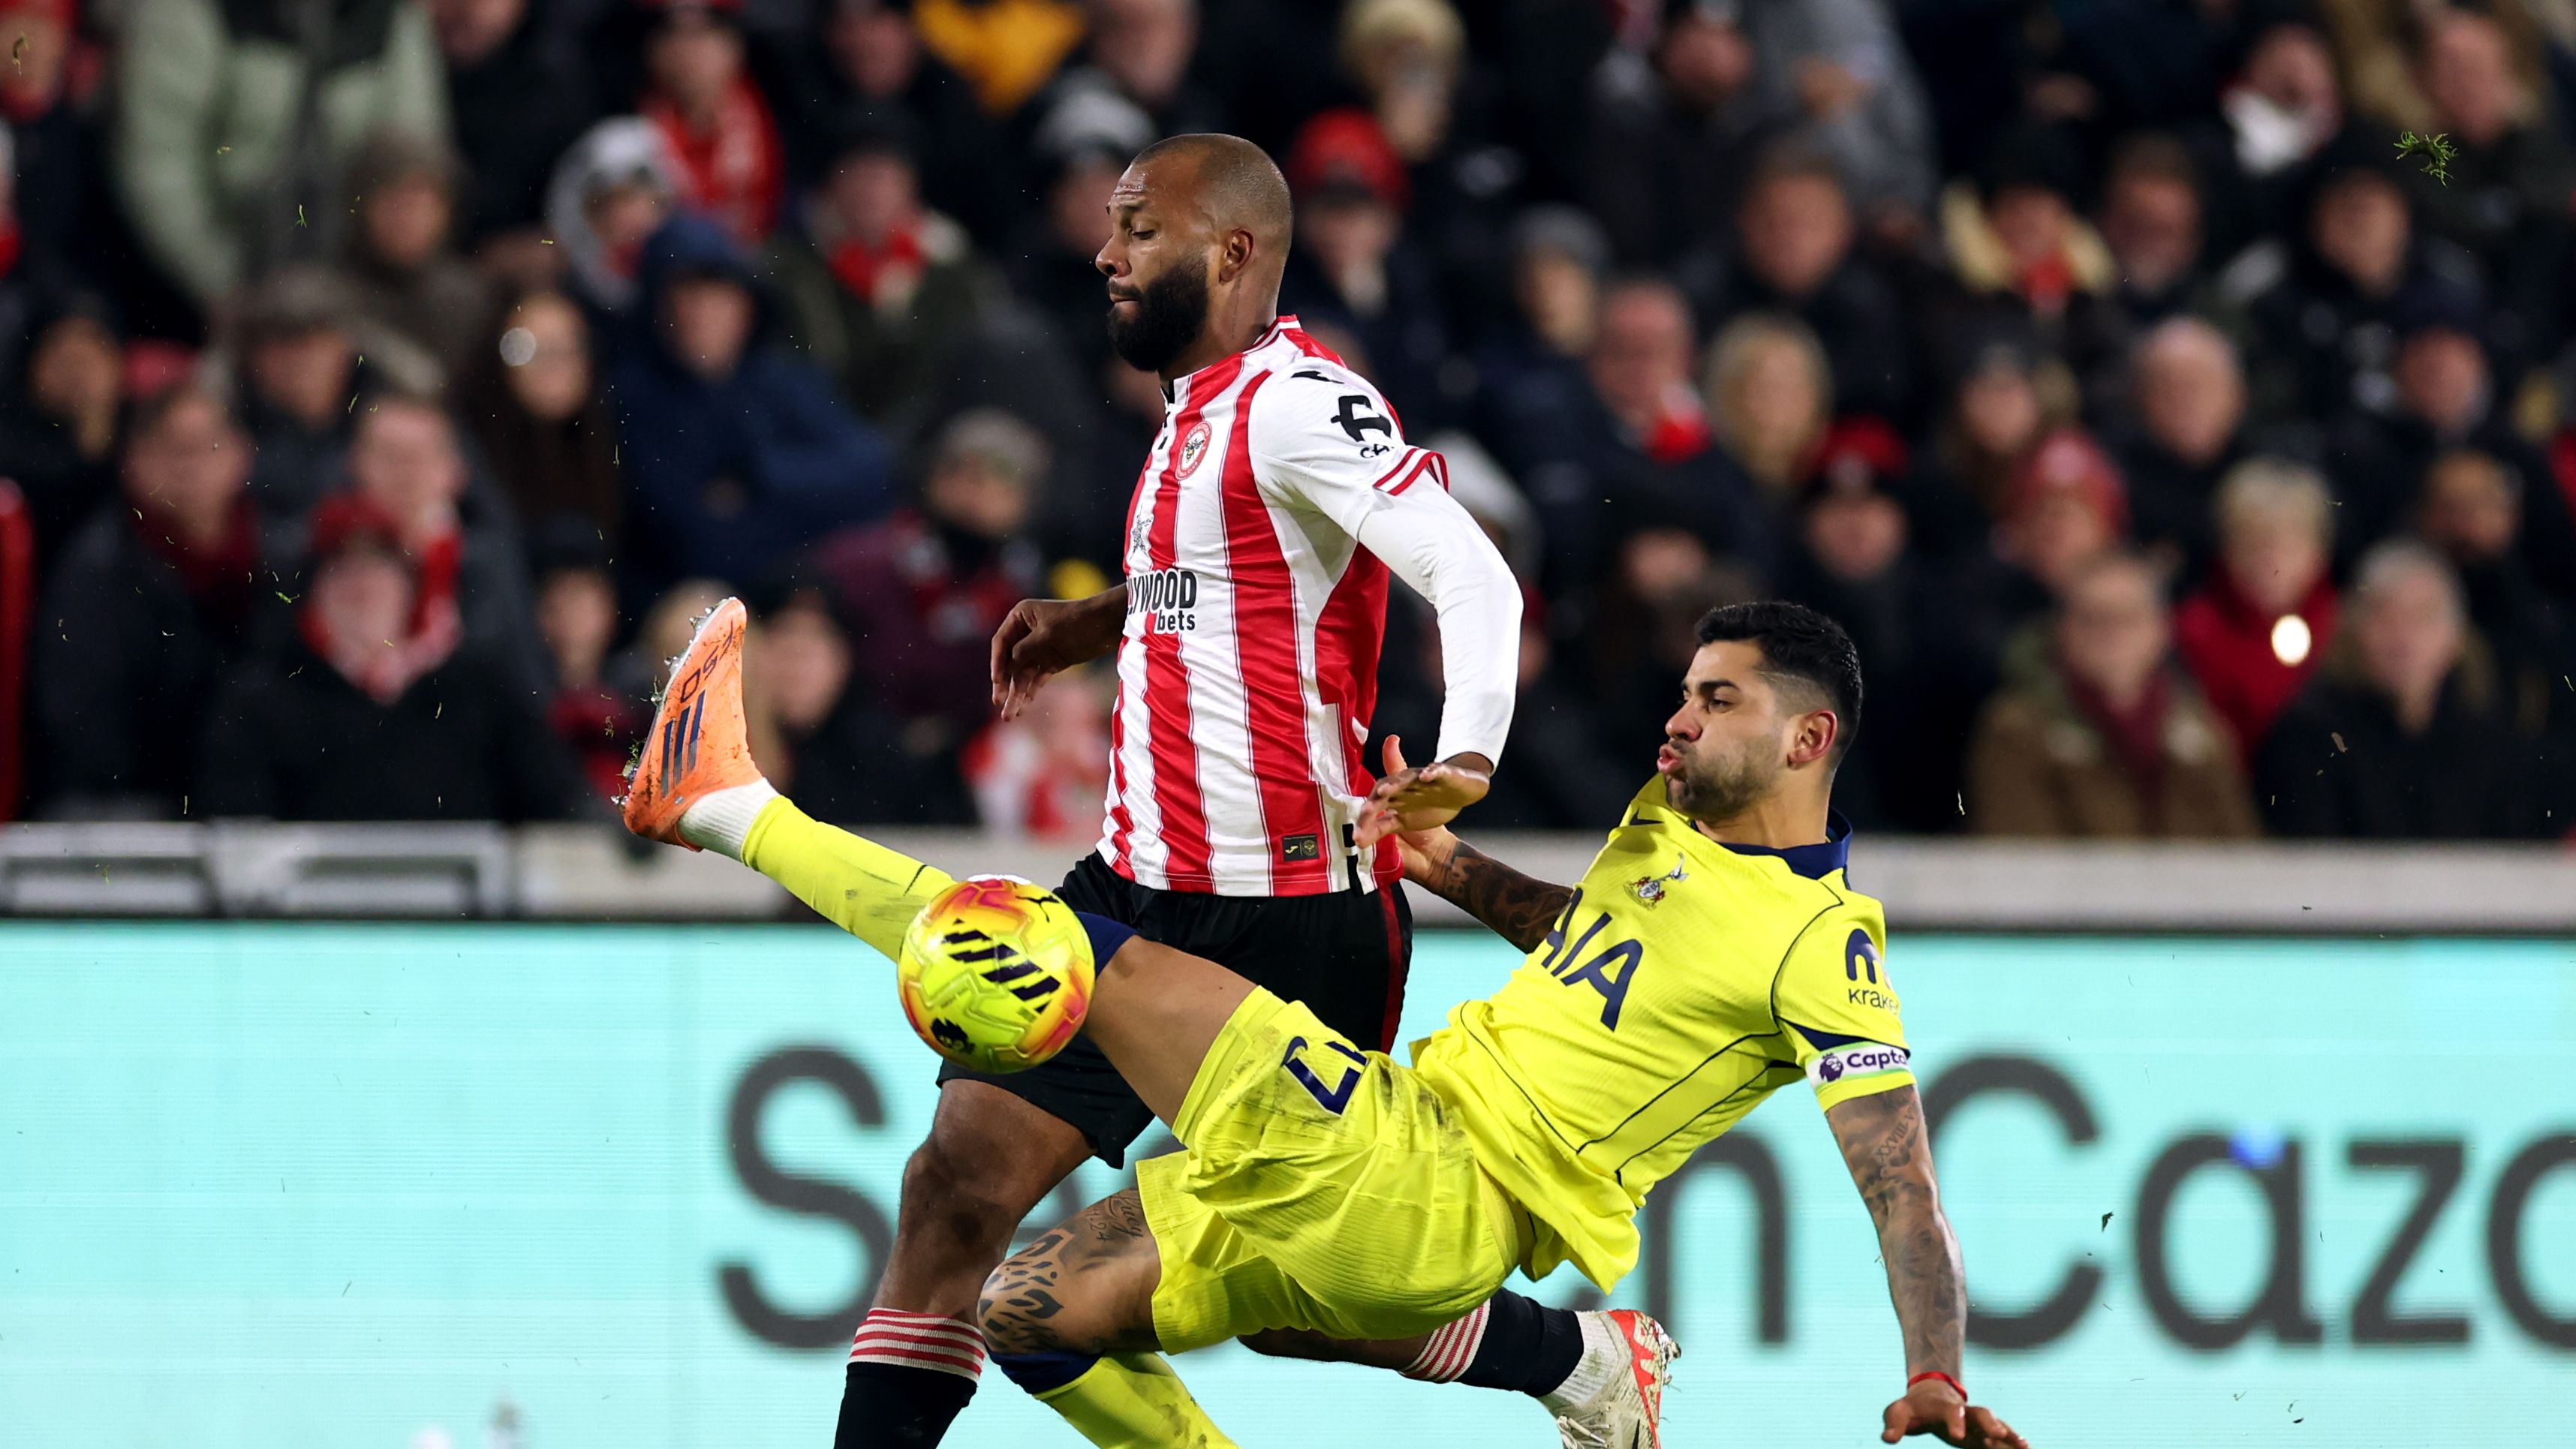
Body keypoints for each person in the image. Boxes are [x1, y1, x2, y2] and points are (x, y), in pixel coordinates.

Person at [621, 594, 2028, 1449]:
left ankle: (724, 804)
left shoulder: (1829, 953)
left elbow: (1900, 1186)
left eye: (1712, 701)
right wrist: (1447, 867)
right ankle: (1581, 1363)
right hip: (1393, 1133)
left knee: (1051, 955)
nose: (1675, 720)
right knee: (1027, 1311)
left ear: (1806, 740)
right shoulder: (1669, 820)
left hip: (1439, 1193)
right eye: (1680, 690)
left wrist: (1933, 1370)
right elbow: (1598, 941)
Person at [818, 133, 1538, 1449]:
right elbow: (1225, 590)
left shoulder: (1300, 403)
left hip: (1294, 922)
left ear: (1233, 252)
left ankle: (1572, 1355)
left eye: (1138, 229)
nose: (1106, 251)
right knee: (954, 1190)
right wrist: (1089, 623)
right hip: (1136, 898)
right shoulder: (1190, 411)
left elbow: (1474, 578)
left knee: (1288, 1293)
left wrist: (1468, 755)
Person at [196, 494, 594, 822]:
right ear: (314, 590)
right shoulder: (260, 700)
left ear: (411, 587)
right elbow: (236, 828)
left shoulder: (478, 690)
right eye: (342, 567)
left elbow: (558, 798)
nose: (364, 584)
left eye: (380, 566)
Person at [605, 213, 892, 597]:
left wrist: (760, 474)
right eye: (686, 296)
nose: (701, 315)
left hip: (799, 605)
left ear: (748, 305)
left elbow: (877, 476)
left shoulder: (782, 379)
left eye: (719, 295)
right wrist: (810, 516)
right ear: (656, 307)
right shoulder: (632, 399)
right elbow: (698, 545)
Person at [31, 388, 281, 818]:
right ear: (132, 462)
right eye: (170, 449)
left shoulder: (284, 558)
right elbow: (84, 731)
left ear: (243, 453)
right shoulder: (93, 574)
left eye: (207, 446)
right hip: (140, 810)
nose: (189, 465)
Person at [1967, 550, 2256, 839]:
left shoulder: (2202, 732)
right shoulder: (2018, 731)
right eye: (2093, 619)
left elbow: (2240, 850)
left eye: (2127, 618)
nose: (2111, 634)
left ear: (2160, 630)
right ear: (2065, 630)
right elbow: (2020, 855)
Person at [2256, 540, 2533, 839]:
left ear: (2456, 637)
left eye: (2423, 617)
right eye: (2384, 616)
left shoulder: (2490, 744)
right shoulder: (2307, 738)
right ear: (2353, 629)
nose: (2403, 637)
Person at [2171, 458, 2338, 760]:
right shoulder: (2193, 632)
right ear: (2227, 550)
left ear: (2318, 552)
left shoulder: (2345, 629)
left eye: (2288, 545)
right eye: (2253, 543)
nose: (2270, 561)